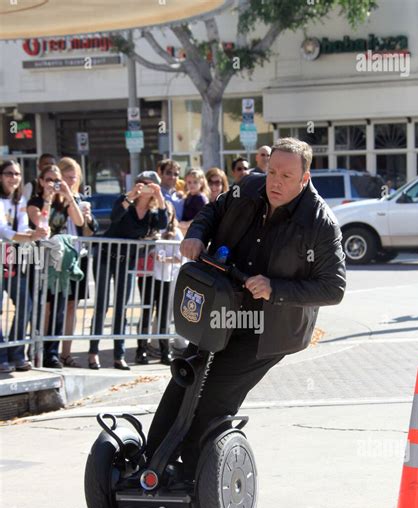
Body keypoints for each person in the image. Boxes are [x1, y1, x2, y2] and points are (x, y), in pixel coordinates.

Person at [146, 137, 346, 482]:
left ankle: (195, 475)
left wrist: (275, 288)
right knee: (184, 378)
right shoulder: (248, 187)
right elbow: (212, 211)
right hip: (221, 310)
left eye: (286, 176)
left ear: (305, 178)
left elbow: (334, 288)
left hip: (269, 329)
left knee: (216, 395)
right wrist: (196, 233)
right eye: (272, 172)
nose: (276, 182)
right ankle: (148, 463)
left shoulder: (320, 224)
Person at [88, 170, 168, 370]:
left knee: (121, 308)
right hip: (106, 256)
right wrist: (130, 196)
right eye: (142, 182)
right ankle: (93, 353)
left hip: (127, 261)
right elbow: (115, 217)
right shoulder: (124, 201)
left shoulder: (152, 213)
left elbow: (164, 224)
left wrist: (159, 197)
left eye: (150, 184)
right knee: (102, 305)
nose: (145, 187)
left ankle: (119, 355)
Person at [27, 165, 84, 368]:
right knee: (45, 308)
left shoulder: (64, 199)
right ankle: (37, 349)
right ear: (41, 181)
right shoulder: (34, 202)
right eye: (49, 180)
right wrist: (49, 199)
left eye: (56, 180)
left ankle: (53, 352)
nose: (53, 184)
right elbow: (42, 225)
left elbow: (79, 220)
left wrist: (67, 194)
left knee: (60, 307)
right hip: (40, 258)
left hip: (59, 260)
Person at [0, 160, 49, 371]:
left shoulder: (19, 199)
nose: (14, 178)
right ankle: (2, 354)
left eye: (17, 174)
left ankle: (16, 351)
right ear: (1, 176)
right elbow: (3, 230)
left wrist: (34, 233)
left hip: (9, 257)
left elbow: (21, 227)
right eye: (9, 173)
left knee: (26, 304)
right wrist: (27, 236)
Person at [57, 157, 99, 367]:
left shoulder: (80, 199)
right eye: (67, 177)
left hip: (77, 256)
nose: (71, 181)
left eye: (75, 177)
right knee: (53, 305)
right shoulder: (53, 198)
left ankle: (66, 353)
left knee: (73, 305)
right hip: (56, 257)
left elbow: (91, 230)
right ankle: (47, 351)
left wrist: (89, 219)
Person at [136, 200, 184, 365]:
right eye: (163, 213)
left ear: (172, 216)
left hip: (166, 277)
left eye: (168, 213)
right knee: (146, 312)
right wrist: (151, 253)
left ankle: (165, 351)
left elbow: (180, 256)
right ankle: (141, 349)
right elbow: (142, 248)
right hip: (149, 276)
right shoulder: (152, 229)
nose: (166, 217)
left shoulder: (176, 232)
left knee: (164, 314)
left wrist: (166, 259)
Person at [179, 168, 209, 234]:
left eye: (195, 182)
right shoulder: (188, 196)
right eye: (189, 182)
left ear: (201, 183)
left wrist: (187, 224)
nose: (192, 185)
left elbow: (202, 217)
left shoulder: (201, 198)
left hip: (197, 231)